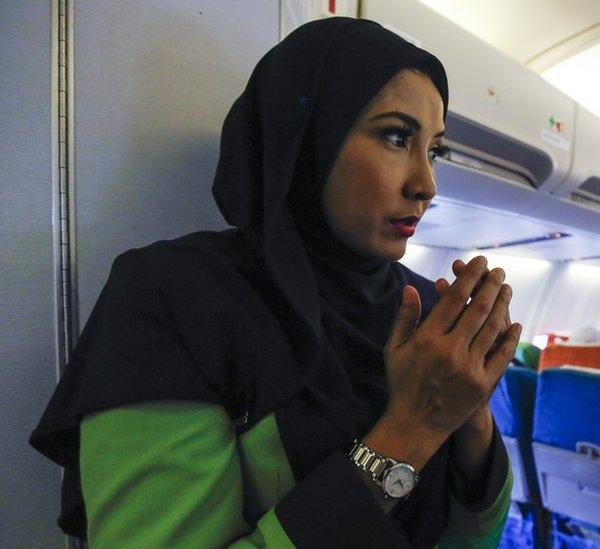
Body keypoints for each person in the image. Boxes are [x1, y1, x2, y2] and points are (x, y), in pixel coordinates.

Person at [30, 18, 519, 547]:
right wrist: (413, 430)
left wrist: (473, 420)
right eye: (396, 137)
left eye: (434, 151)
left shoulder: (424, 305)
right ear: (307, 137)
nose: (426, 185)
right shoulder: (176, 295)